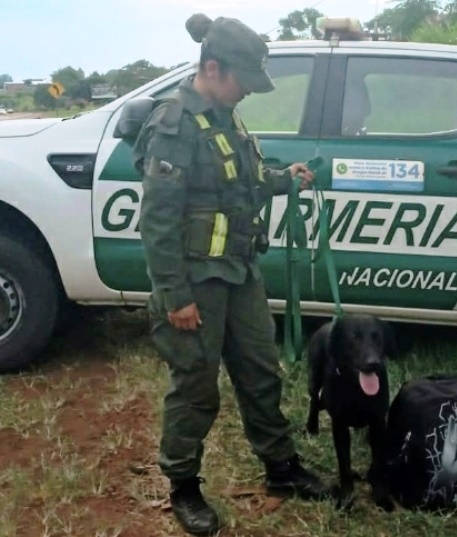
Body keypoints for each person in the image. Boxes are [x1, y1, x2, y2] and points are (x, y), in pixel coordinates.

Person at [132, 13, 328, 536]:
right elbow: (157, 221)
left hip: (239, 271)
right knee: (196, 389)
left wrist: (285, 180)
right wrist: (174, 295)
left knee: (261, 372)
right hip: (195, 280)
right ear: (213, 68)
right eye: (243, 81)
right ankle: (183, 486)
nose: (248, 93)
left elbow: (241, 180)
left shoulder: (226, 115)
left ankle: (281, 468)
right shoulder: (174, 123)